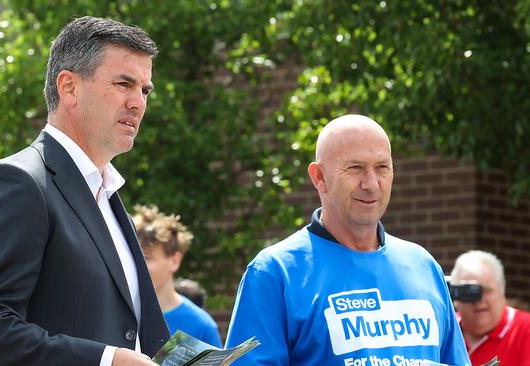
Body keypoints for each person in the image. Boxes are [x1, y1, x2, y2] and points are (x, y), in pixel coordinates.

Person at [0, 17, 168, 366]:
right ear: (69, 87)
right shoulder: (18, 183)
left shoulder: (109, 198)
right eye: (124, 84)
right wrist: (106, 360)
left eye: (145, 90)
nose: (138, 103)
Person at [225, 114, 470, 365]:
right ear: (319, 177)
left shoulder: (424, 266)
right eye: (355, 168)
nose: (371, 183)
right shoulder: (275, 272)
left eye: (382, 167)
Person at [133, 204, 223, 347]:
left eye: (146, 257)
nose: (136, 265)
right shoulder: (118, 315)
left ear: (175, 260)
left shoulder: (201, 325)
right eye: (133, 257)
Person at [450, 250, 530, 366]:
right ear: (454, 294)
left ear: (502, 292)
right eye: (470, 291)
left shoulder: (525, 329)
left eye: (487, 290)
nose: (479, 300)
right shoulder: (444, 330)